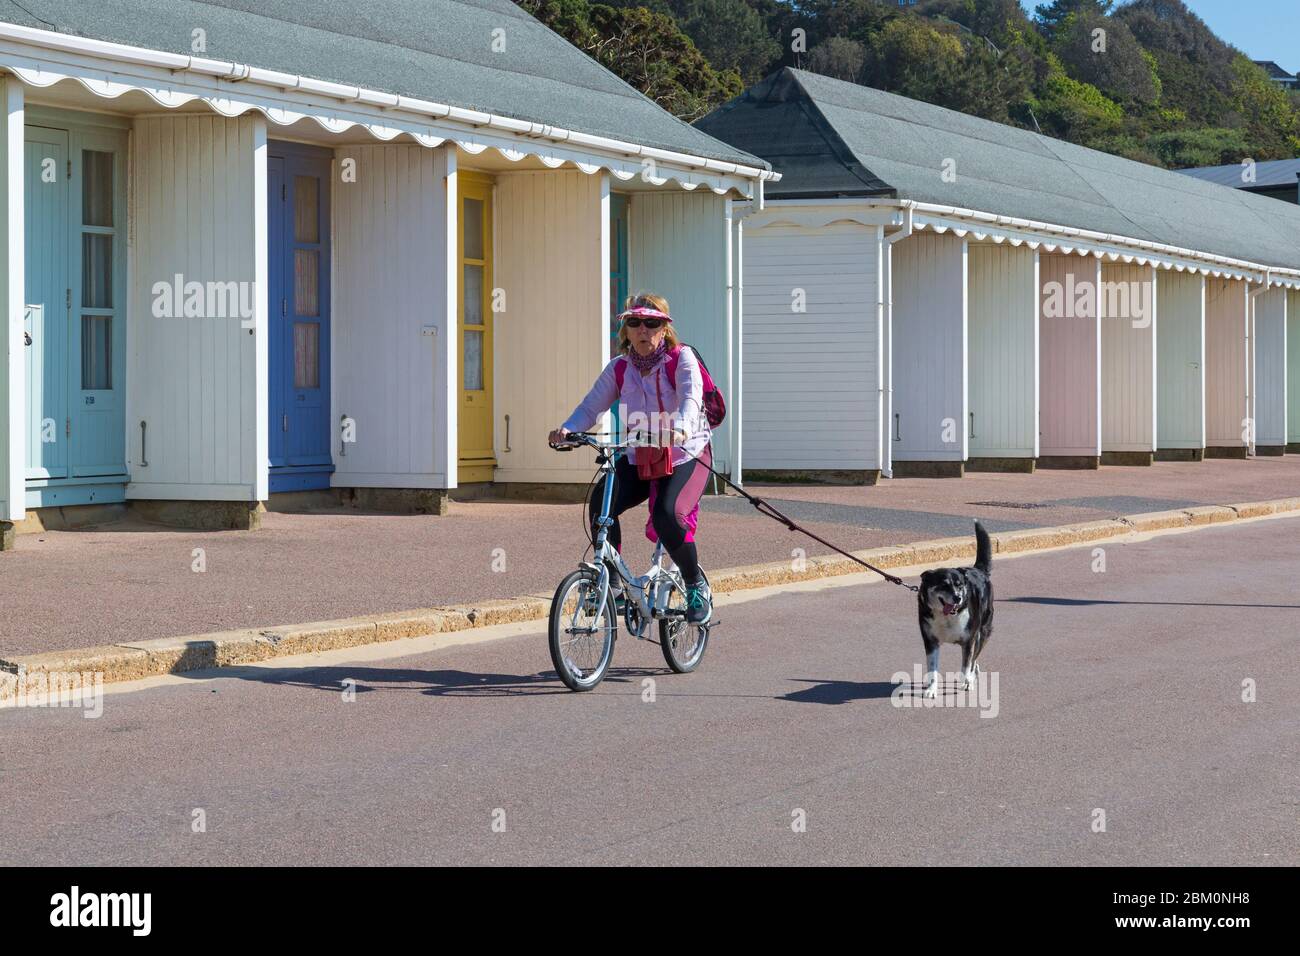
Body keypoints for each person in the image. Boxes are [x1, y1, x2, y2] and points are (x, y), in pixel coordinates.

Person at [549, 292, 714, 624]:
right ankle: (611, 585)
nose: (643, 329)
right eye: (634, 322)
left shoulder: (682, 360)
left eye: (652, 322)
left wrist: (679, 429)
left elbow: (690, 401)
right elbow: (590, 407)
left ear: (664, 329)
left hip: (685, 455)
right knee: (600, 505)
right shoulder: (620, 368)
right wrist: (567, 430)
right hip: (640, 454)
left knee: (667, 514)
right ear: (625, 329)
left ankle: (696, 585)